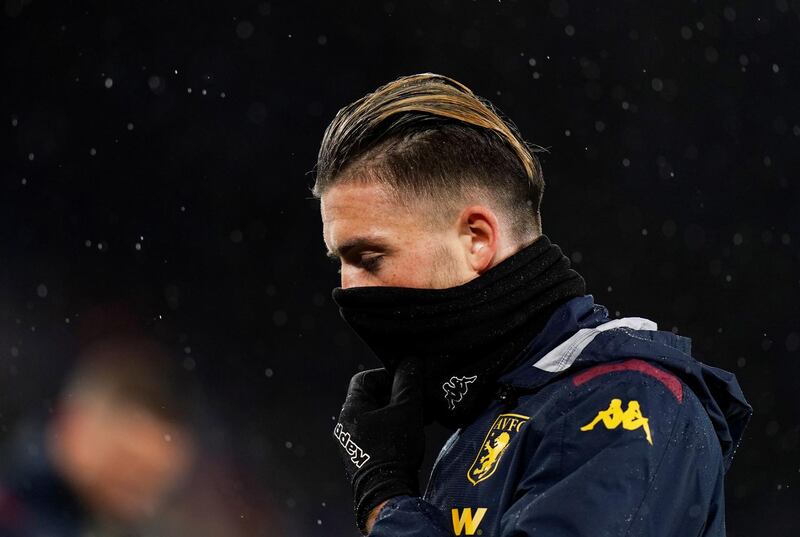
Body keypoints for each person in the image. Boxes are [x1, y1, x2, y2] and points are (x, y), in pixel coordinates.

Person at [314, 73, 753, 536]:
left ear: (477, 239)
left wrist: (385, 497)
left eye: (367, 257)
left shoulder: (625, 401)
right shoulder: (501, 410)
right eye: (339, 262)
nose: (348, 288)